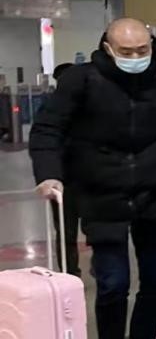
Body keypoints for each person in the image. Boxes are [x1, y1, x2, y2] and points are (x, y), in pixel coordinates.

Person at [29, 19, 156, 339]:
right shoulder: (81, 80)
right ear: (108, 48)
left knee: (155, 282)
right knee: (112, 284)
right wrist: (50, 174)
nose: (136, 57)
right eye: (127, 52)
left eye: (142, 50)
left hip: (154, 194)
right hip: (101, 195)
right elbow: (47, 129)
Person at [48, 62, 82, 277]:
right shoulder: (52, 110)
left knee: (95, 228)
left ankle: (75, 271)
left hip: (89, 178)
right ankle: (70, 274)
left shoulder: (92, 105)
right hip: (63, 180)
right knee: (65, 231)